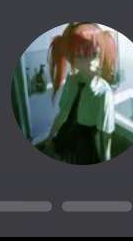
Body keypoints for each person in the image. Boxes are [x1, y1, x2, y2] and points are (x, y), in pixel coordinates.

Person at [39, 22, 120, 166]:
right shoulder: (71, 80)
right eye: (80, 56)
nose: (90, 62)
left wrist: (106, 158)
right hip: (65, 138)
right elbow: (63, 113)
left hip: (86, 145)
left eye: (94, 54)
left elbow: (105, 135)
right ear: (71, 58)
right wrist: (50, 139)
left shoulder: (103, 92)